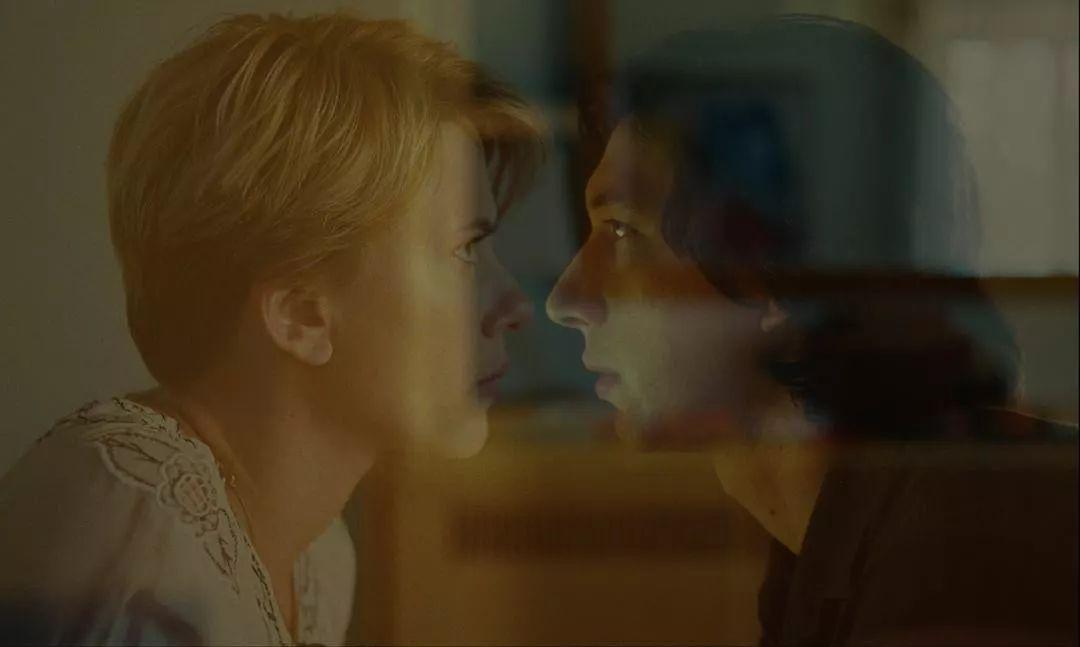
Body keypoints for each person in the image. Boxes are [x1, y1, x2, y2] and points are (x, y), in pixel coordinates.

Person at [0, 12, 542, 645]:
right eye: (466, 251)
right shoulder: (138, 532)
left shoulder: (318, 557)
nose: (515, 305)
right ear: (300, 313)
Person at [547, 15, 1077, 646]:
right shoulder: (838, 538)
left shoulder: (970, 548)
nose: (565, 299)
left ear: (773, 270)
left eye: (622, 230)